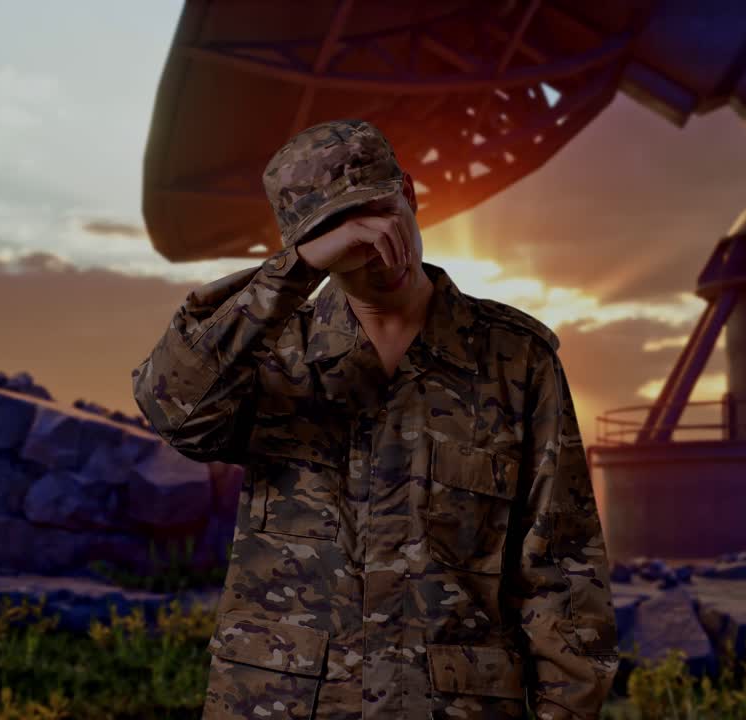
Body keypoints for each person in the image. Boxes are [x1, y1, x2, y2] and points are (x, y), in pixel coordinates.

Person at [132, 118, 619, 720]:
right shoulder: (269, 353)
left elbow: (563, 575)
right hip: (280, 703)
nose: (377, 244)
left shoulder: (516, 361)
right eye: (339, 230)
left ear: (411, 195)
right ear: (306, 246)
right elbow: (172, 408)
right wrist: (294, 273)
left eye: (382, 211)